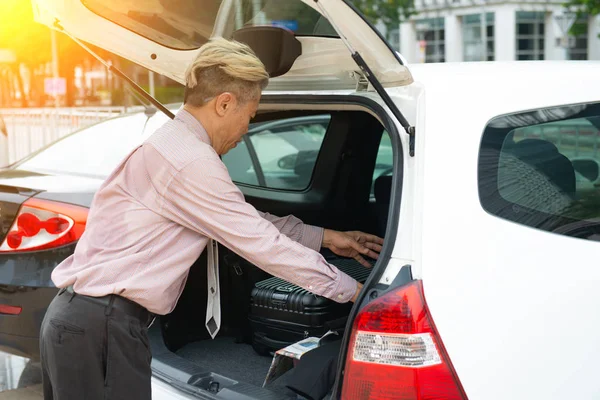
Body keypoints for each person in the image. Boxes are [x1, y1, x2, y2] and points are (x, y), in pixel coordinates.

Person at [39, 37, 383, 400]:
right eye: (249, 116)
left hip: (84, 323)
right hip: (102, 329)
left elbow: (247, 219)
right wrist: (357, 293)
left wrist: (328, 237)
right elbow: (262, 244)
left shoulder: (173, 144)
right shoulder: (192, 162)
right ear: (224, 103)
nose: (247, 129)